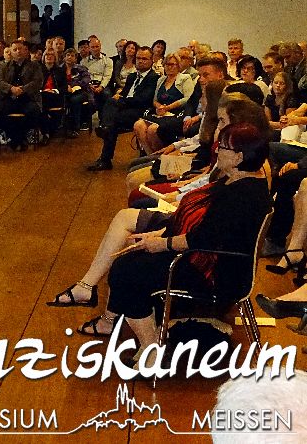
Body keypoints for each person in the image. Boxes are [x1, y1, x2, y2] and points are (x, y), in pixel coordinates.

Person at [105, 122, 272, 353]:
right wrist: (158, 234)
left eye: (223, 147)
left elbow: (203, 238)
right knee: (131, 260)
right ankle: (152, 334)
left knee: (125, 271)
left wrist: (161, 244)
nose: (217, 150)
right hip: (211, 259)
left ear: (239, 157)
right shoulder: (239, 180)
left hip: (215, 273)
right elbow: (206, 230)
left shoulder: (242, 196)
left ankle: (151, 348)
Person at [87, 46, 157, 171]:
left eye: (144, 59)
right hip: (124, 108)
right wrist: (119, 97)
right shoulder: (132, 76)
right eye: (138, 58)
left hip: (140, 110)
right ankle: (106, 131)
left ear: (152, 60)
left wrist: (121, 100)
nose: (140, 61)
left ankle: (105, 155)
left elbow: (144, 99)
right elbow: (124, 94)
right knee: (111, 110)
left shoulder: (154, 78)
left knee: (112, 116)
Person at [0, 39, 43, 150]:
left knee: (34, 110)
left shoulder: (34, 66)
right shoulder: (4, 66)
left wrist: (23, 89)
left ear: (25, 50)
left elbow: (38, 81)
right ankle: (16, 138)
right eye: (15, 49)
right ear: (11, 52)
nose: (18, 51)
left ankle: (19, 138)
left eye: (20, 49)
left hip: (28, 98)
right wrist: (11, 88)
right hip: (9, 98)